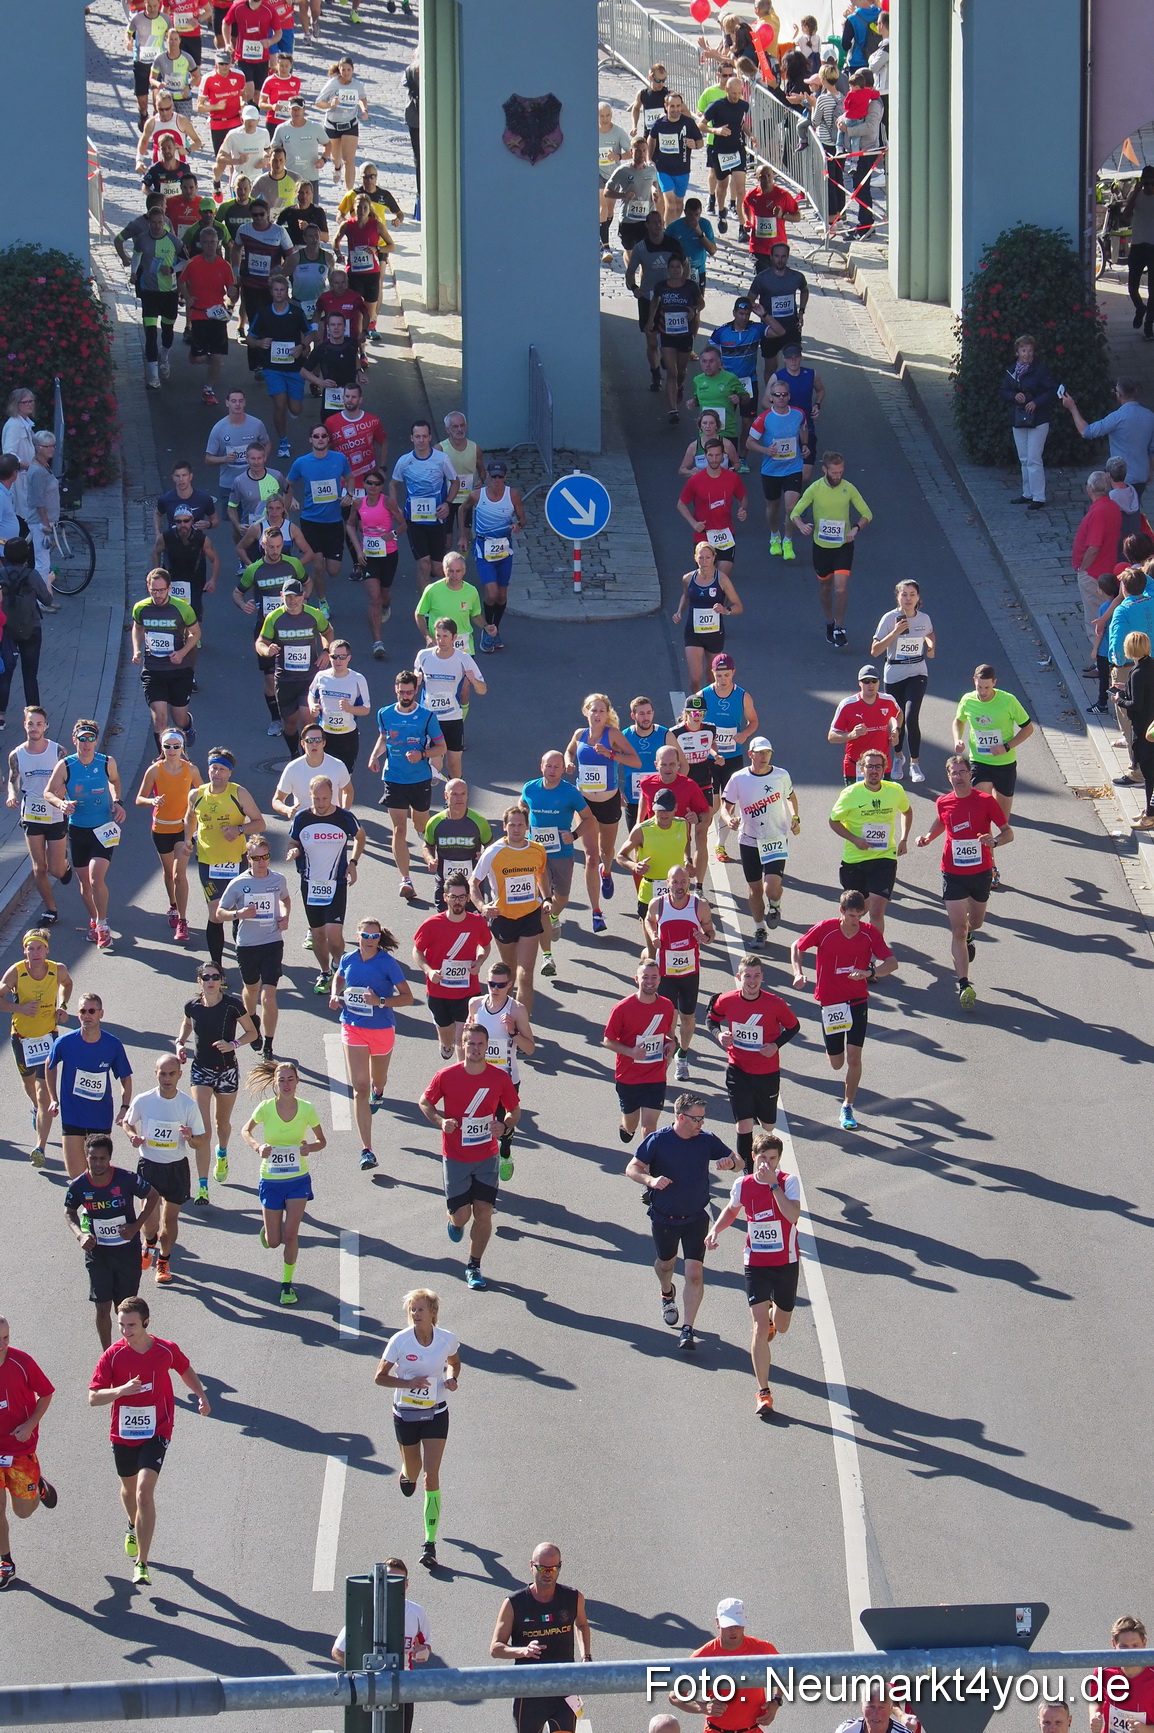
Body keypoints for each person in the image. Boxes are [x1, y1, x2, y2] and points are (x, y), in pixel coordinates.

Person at [87, 1294, 210, 1586]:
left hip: (158, 1430)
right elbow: (93, 1397)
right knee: (128, 1491)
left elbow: (184, 1369)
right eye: (121, 1325)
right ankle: (132, 1524)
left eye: (131, 1325)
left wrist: (202, 1395)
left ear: (146, 1322)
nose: (125, 1331)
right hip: (124, 1432)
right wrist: (121, 1391)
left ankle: (142, 1563)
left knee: (144, 1492)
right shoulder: (113, 1355)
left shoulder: (165, 1350)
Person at [625, 1093, 740, 1353]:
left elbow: (740, 1162)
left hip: (696, 1217)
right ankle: (667, 1292)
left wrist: (730, 1163)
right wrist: (650, 1181)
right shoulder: (658, 1140)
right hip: (664, 1217)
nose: (701, 1123)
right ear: (681, 1117)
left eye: (702, 1118)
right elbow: (632, 1168)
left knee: (694, 1273)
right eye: (696, 1118)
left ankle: (688, 1329)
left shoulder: (706, 1140)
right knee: (665, 1264)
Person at [705, 1131, 801, 1415]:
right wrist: (715, 1230)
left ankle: (774, 1317)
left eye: (773, 1159)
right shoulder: (743, 1184)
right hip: (756, 1263)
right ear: (753, 1157)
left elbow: (792, 1216)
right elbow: (732, 1210)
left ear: (779, 1160)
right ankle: (764, 1392)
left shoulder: (788, 1183)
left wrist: (773, 1187)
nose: (767, 1164)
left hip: (785, 1263)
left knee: (781, 1326)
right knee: (758, 1327)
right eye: (762, 1158)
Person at [420, 1022, 520, 1292]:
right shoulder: (446, 1075)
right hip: (455, 1157)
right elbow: (425, 1102)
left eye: (480, 1044)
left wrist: (505, 1125)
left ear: (487, 1046)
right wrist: (441, 1121)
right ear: (462, 1046)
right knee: (463, 1217)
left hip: (486, 1157)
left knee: (484, 1212)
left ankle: (474, 1265)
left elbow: (514, 1110)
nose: (475, 1049)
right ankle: (454, 1219)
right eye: (470, 1044)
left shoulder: (499, 1078)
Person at [791, 888, 897, 1130]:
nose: (856, 922)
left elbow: (892, 963)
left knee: (854, 1057)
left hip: (857, 1000)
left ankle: (848, 1106)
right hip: (831, 1003)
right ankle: (833, 1053)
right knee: (836, 1062)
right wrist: (798, 973)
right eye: (851, 916)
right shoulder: (825, 929)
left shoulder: (869, 934)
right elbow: (797, 945)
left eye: (860, 916)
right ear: (841, 912)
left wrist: (870, 972)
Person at [915, 755, 1013, 1009]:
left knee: (975, 923)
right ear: (948, 777)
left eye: (962, 771)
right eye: (953, 773)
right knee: (957, 929)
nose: (958, 776)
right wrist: (928, 837)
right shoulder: (943, 801)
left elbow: (1008, 832)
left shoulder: (985, 801)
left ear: (971, 774)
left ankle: (970, 936)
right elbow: (941, 820)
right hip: (952, 872)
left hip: (980, 872)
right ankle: (964, 984)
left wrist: (995, 842)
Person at [374, 1289, 461, 1570]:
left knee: (431, 1474)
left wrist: (450, 1379)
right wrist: (408, 1384)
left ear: (433, 1312)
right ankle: (406, 1472)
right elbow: (380, 1378)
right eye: (412, 1310)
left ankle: (429, 1543)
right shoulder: (399, 1341)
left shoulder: (446, 1339)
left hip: (436, 1413)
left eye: (420, 1309)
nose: (415, 1314)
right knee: (414, 1470)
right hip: (407, 1415)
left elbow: (454, 1364)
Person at [330, 919, 413, 1172]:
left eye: (374, 936)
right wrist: (335, 993)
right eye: (365, 935)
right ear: (357, 935)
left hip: (381, 1030)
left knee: (378, 1079)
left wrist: (380, 1001)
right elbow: (339, 976)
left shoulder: (388, 963)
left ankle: (380, 1090)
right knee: (360, 1087)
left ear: (379, 938)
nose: (370, 940)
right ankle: (367, 1149)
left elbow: (408, 998)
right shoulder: (348, 958)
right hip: (352, 1026)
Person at [241, 1058, 325, 1304]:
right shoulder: (266, 1108)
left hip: (298, 1178)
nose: (286, 1084)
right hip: (271, 1179)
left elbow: (322, 1141)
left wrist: (309, 1147)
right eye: (281, 1080)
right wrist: (259, 1147)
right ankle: (268, 1232)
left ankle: (287, 1284)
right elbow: (246, 1131)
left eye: (290, 1079)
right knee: (274, 1240)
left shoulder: (307, 1108)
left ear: (297, 1082)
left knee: (291, 1235)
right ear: (275, 1084)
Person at [64, 1134, 159, 1350]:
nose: (98, 1163)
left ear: (109, 1158)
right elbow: (69, 1212)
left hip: (127, 1253)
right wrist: (80, 1235)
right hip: (98, 1254)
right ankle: (107, 1354)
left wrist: (136, 1226)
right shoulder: (79, 1186)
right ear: (86, 1157)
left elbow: (153, 1196)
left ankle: (129, 1349)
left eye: (102, 1158)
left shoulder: (125, 1178)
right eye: (93, 1158)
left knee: (125, 1309)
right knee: (102, 1306)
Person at [707, 955, 800, 1168]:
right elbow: (712, 1018)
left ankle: (759, 1121)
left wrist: (775, 1045)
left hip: (766, 1072)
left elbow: (794, 1027)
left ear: (762, 977)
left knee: (768, 1126)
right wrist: (718, 1034)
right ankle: (747, 1172)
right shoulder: (727, 1000)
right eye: (747, 976)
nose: (752, 981)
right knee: (743, 1125)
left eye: (756, 975)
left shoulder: (775, 1003)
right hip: (737, 1069)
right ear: (739, 976)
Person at [176, 961, 258, 1199]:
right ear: (199, 981)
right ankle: (202, 1187)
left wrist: (233, 1044)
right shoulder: (192, 1006)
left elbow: (252, 1032)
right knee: (203, 1128)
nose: (210, 981)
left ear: (221, 980)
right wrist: (181, 1042)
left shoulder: (233, 1005)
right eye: (206, 977)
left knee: (222, 1124)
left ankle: (222, 1153)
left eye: (215, 977)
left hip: (227, 1071)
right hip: (201, 1070)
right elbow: (187, 1024)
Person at [490, 1542, 592, 1733]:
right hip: (529, 1691)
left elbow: (582, 1624)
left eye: (553, 1568)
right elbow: (495, 1648)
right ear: (531, 1566)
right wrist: (523, 1651)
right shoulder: (514, 1603)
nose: (548, 1573)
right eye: (542, 1568)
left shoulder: (573, 1597)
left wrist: (586, 1656)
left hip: (565, 1688)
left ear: (559, 1568)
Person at [43, 722, 126, 953]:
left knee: (95, 878)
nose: (87, 743)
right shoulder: (66, 765)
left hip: (102, 829)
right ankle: (94, 920)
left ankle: (102, 924)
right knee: (84, 885)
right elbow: (48, 792)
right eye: (83, 739)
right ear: (74, 740)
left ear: (96, 741)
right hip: (78, 830)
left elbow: (115, 781)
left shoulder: (106, 762)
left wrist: (117, 802)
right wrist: (61, 803)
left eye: (91, 739)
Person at [125, 1055, 207, 1288]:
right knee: (148, 1222)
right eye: (163, 1073)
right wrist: (133, 1136)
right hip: (149, 1165)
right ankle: (148, 1242)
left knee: (169, 1220)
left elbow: (200, 1141)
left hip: (175, 1168)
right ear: (155, 1074)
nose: (167, 1078)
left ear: (180, 1075)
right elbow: (127, 1122)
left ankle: (163, 1260)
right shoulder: (144, 1100)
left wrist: (190, 1137)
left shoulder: (188, 1105)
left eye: (172, 1074)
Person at [181, 746, 265, 968]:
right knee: (216, 914)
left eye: (221, 769)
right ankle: (217, 967)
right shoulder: (197, 794)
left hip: (236, 863)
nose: (216, 773)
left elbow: (260, 822)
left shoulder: (238, 793)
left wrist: (238, 829)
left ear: (229, 773)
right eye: (213, 768)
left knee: (237, 912)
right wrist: (188, 840)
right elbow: (189, 818)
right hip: (208, 863)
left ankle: (244, 959)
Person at [563, 693, 641, 933]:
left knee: (607, 851)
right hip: (584, 802)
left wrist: (611, 755)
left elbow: (636, 761)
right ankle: (596, 912)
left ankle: (606, 872)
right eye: (593, 710)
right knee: (590, 856)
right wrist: (568, 762)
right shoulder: (580, 735)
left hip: (608, 802)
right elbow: (569, 752)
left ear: (608, 715)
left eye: (601, 711)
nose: (597, 715)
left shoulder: (613, 735)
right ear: (586, 711)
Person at [367, 672, 446, 902]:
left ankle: (430, 853)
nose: (405, 696)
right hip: (394, 778)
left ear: (416, 691)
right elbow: (384, 739)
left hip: (419, 778)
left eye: (409, 692)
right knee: (399, 829)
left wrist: (422, 754)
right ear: (396, 689)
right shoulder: (384, 713)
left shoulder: (426, 716)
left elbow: (441, 747)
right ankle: (405, 879)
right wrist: (375, 756)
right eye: (401, 692)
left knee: (421, 825)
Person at [469, 806, 552, 1016]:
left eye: (520, 825)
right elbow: (474, 883)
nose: (516, 829)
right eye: (512, 825)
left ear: (527, 826)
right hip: (502, 917)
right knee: (510, 973)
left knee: (526, 974)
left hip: (529, 915)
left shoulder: (537, 850)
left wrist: (546, 898)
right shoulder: (494, 851)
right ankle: (503, 1017)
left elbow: (541, 874)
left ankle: (522, 1024)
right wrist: (483, 907)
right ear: (505, 827)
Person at [215, 833, 290, 1060]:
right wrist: (239, 914)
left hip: (272, 941)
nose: (261, 862)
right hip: (247, 944)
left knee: (269, 994)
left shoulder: (278, 879)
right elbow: (219, 913)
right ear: (248, 858)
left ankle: (268, 1043)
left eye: (265, 857)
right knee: (252, 988)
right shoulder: (239, 884)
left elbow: (285, 899)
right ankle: (252, 1019)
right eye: (256, 858)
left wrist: (285, 916)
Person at [1, 930, 72, 1168]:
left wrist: (62, 1005)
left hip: (48, 1036)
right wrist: (18, 1008)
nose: (35, 953)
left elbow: (67, 984)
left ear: (47, 950)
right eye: (30, 949)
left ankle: (39, 1146)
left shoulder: (57, 969)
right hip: (22, 1038)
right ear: (25, 951)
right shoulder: (17, 971)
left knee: (44, 1093)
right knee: (29, 1084)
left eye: (39, 948)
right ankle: (35, 1109)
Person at [287, 776, 363, 994]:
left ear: (332, 795)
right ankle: (324, 972)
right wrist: (294, 851)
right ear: (309, 795)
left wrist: (353, 862)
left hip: (336, 882)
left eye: (325, 798)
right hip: (310, 883)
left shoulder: (344, 817)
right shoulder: (302, 818)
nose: (321, 803)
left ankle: (339, 965)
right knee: (318, 933)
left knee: (334, 933)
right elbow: (294, 841)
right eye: (316, 798)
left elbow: (360, 836)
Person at [720, 738, 799, 945]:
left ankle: (775, 904)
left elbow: (791, 797)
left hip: (775, 837)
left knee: (770, 887)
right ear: (750, 754)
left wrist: (795, 817)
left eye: (767, 753)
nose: (764, 757)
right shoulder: (739, 778)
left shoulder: (781, 775)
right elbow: (725, 806)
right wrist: (729, 820)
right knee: (755, 889)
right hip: (749, 840)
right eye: (760, 753)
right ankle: (759, 929)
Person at [330, 1554, 432, 1714]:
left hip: (403, 1687)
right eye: (389, 1580)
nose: (393, 1585)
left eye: (398, 1581)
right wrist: (365, 1679)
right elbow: (338, 1652)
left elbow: (425, 1646)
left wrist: (423, 1652)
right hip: (369, 1691)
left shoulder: (417, 1613)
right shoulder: (365, 1613)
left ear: (406, 1584)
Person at [790, 451, 873, 646]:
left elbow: (867, 513)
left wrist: (856, 528)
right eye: (834, 472)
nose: (838, 476)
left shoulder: (848, 488)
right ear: (825, 470)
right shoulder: (815, 489)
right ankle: (829, 621)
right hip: (821, 547)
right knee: (826, 587)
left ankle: (839, 626)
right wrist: (801, 525)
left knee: (840, 588)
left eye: (841, 472)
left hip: (843, 545)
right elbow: (795, 512)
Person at [0, 1320, 57, 1590]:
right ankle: (6, 1563)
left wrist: (30, 1424)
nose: (2, 1345)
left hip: (20, 1450)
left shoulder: (21, 1362)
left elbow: (46, 1393)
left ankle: (38, 1489)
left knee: (22, 1512)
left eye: (6, 1338)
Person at [828, 748, 911, 934]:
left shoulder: (895, 790)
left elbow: (907, 811)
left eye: (878, 767)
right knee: (855, 911)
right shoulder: (850, 794)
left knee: (877, 910)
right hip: (854, 860)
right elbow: (833, 821)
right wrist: (855, 839)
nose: (874, 770)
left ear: (884, 769)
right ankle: (846, 938)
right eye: (869, 766)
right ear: (862, 769)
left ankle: (872, 956)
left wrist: (904, 838)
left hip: (884, 858)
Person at [644, 865, 714, 1080]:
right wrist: (653, 934)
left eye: (683, 882)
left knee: (688, 1017)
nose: (679, 886)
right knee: (668, 1017)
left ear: (689, 883)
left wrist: (705, 938)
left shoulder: (699, 906)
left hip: (689, 972)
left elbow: (711, 931)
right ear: (667, 883)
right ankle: (666, 1059)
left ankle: (682, 1054)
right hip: (665, 972)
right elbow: (648, 920)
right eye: (675, 882)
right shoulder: (658, 905)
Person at [519, 753, 588, 970]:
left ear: (562, 770)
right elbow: (521, 806)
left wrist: (574, 835)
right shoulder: (530, 788)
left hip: (561, 854)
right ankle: (547, 956)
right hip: (535, 854)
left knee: (562, 898)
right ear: (541, 767)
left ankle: (556, 914)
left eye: (556, 767)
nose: (552, 770)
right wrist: (522, 824)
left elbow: (589, 819)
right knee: (542, 905)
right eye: (548, 766)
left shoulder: (570, 792)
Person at [414, 874, 492, 1061]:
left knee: (462, 1039)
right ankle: (444, 1043)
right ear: (445, 897)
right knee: (447, 1034)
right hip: (438, 991)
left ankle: (462, 1077)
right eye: (454, 897)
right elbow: (417, 951)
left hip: (467, 991)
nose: (458, 902)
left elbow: (486, 945)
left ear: (468, 898)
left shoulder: (476, 922)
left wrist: (479, 961)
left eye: (462, 897)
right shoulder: (432, 924)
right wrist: (428, 971)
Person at [467, 963, 534, 1180]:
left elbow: (530, 1048)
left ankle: (505, 1152)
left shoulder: (516, 1010)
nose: (495, 988)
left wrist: (513, 1031)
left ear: (510, 985)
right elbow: (467, 1040)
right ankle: (484, 1172)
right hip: (479, 1076)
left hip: (506, 1078)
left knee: (504, 1122)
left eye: (500, 985)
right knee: (479, 1125)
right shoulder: (475, 1005)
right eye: (491, 984)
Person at [136, 729, 202, 944]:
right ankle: (172, 905)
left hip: (183, 830)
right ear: (162, 748)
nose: (172, 750)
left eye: (176, 746)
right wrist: (152, 802)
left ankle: (183, 920)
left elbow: (203, 794)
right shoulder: (154, 771)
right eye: (167, 746)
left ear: (182, 747)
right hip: (161, 829)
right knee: (167, 872)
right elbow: (139, 799)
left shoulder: (190, 769)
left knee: (178, 874)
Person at [952, 664, 1034, 838]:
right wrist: (957, 739)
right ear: (974, 681)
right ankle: (988, 862)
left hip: (1004, 764)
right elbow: (958, 721)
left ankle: (992, 854)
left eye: (987, 687)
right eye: (979, 687)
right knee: (981, 819)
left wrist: (1005, 747)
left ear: (995, 683)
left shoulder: (1008, 701)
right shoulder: (968, 700)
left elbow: (1028, 728)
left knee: (1002, 820)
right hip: (979, 762)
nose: (983, 692)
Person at [114, 204, 188, 391]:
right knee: (150, 333)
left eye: (160, 223)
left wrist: (172, 269)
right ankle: (154, 376)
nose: (156, 226)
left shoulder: (173, 241)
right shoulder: (142, 240)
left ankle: (164, 357)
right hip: (149, 292)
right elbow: (137, 256)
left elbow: (186, 261)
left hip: (169, 292)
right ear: (149, 224)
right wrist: (133, 272)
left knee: (168, 330)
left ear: (165, 222)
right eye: (153, 223)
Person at [7, 706, 70, 928]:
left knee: (57, 870)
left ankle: (64, 864)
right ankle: (51, 909)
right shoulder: (17, 754)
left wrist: (63, 791)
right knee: (39, 867)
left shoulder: (57, 751)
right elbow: (13, 779)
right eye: (30, 723)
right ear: (24, 725)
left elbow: (68, 776)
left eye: (39, 724)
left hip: (55, 813)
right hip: (32, 814)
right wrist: (12, 795)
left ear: (46, 726)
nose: (34, 728)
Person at [257, 578, 334, 754]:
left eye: (296, 596)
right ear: (281, 596)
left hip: (309, 677)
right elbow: (261, 641)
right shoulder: (274, 617)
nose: (293, 601)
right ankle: (294, 753)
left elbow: (328, 631)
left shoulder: (314, 614)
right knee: (290, 724)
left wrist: (326, 651)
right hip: (285, 679)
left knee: (308, 720)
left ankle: (311, 758)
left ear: (303, 596)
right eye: (289, 597)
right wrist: (266, 650)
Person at [604, 960, 676, 1146]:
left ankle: (646, 1163)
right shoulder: (622, 1008)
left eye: (654, 977)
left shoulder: (667, 1006)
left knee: (650, 1126)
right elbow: (608, 1040)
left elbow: (668, 1036)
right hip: (629, 1077)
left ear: (660, 980)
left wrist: (671, 1045)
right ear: (637, 979)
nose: (650, 981)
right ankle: (626, 1126)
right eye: (645, 977)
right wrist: (631, 1052)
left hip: (655, 1075)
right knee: (631, 1125)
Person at [677, 1599, 780, 1725]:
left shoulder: (762, 1649)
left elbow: (787, 1673)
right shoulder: (702, 1656)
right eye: (728, 1625)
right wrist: (703, 1707)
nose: (733, 1631)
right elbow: (675, 1696)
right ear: (717, 1622)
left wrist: (776, 1701)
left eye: (738, 1625)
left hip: (753, 1729)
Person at [870, 581, 935, 783]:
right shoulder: (889, 619)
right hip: (894, 672)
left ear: (918, 598)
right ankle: (899, 758)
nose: (908, 599)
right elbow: (875, 651)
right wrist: (896, 632)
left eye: (912, 594)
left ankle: (915, 764)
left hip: (918, 671)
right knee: (898, 719)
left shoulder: (924, 618)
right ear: (897, 597)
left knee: (911, 715)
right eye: (904, 595)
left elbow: (929, 633)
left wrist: (931, 645)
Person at [131, 568, 202, 749]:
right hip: (153, 670)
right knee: (160, 718)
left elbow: (195, 633)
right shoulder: (141, 608)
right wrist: (136, 650)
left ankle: (187, 726)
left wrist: (182, 652)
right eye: (154, 590)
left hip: (179, 670)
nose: (158, 595)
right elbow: (138, 628)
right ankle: (162, 758)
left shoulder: (182, 608)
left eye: (161, 590)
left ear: (169, 588)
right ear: (148, 587)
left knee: (179, 718)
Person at [618, 788, 695, 953]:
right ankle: (648, 965)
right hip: (649, 893)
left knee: (675, 945)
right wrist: (634, 866)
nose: (663, 814)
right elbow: (620, 856)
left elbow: (686, 842)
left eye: (667, 809)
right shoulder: (642, 829)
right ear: (652, 807)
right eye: (659, 809)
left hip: (678, 891)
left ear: (675, 808)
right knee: (654, 949)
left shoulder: (683, 824)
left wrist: (687, 860)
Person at [460, 461, 524, 652]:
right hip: (483, 546)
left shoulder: (512, 495)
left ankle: (495, 630)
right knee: (492, 593)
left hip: (504, 548)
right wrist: (463, 535)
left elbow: (523, 518)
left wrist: (518, 525)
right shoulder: (477, 496)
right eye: (493, 476)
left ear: (505, 477)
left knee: (502, 595)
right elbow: (462, 509)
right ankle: (487, 630)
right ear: (487, 475)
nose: (497, 480)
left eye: (500, 477)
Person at [247, 272, 312, 457]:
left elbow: (309, 333)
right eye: (276, 290)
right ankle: (283, 442)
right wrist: (260, 343)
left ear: (286, 292)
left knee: (295, 409)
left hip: (293, 368)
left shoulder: (297, 313)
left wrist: (302, 346)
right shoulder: (264, 313)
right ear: (271, 292)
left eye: (282, 290)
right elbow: (250, 338)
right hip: (272, 367)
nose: (279, 293)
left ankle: (288, 412)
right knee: (279, 405)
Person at [414, 618, 487, 781]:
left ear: (454, 637)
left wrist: (474, 680)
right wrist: (416, 681)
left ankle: (453, 798)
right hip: (429, 717)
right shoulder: (424, 656)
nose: (440, 640)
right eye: (438, 636)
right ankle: (426, 790)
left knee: (454, 764)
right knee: (434, 763)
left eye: (445, 636)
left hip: (453, 718)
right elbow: (413, 684)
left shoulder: (464, 659)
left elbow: (483, 690)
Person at [390, 421, 459, 589]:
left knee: (436, 568)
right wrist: (395, 507)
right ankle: (425, 610)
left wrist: (447, 504)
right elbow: (393, 484)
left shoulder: (441, 459)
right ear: (411, 438)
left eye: (424, 436)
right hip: (414, 520)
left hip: (437, 519)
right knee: (424, 563)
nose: (421, 440)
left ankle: (445, 594)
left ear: (429, 438)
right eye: (417, 437)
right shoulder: (405, 461)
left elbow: (455, 482)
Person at [1063, 379, 1154, 503]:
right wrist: (1150, 472)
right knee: (1134, 509)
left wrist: (1072, 407)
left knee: (1121, 514)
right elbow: (1151, 449)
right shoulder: (1149, 416)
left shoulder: (1117, 418)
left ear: (1119, 395)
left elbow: (1086, 431)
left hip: (1122, 477)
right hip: (1141, 475)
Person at [624, 211, 687, 390]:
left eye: (660, 222)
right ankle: (655, 374)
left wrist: (685, 288)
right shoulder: (641, 248)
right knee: (651, 340)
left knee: (671, 336)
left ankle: (667, 360)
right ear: (647, 225)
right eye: (654, 222)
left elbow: (685, 265)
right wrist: (634, 288)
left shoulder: (673, 244)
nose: (658, 225)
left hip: (671, 297)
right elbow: (630, 271)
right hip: (648, 297)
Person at [672, 542, 742, 697]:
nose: (704, 562)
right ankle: (698, 710)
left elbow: (738, 605)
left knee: (711, 676)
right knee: (695, 679)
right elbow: (686, 595)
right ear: (695, 558)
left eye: (707, 558)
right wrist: (679, 612)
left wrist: (726, 610)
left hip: (714, 634)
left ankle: (710, 706)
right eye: (701, 558)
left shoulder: (722, 579)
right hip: (693, 632)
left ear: (714, 558)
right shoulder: (688, 578)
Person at [747, 379, 807, 559]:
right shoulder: (764, 418)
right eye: (777, 395)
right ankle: (775, 535)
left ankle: (788, 541)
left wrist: (805, 445)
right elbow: (749, 443)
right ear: (771, 398)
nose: (781, 398)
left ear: (789, 396)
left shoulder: (798, 414)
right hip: (771, 470)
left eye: (784, 395)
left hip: (793, 467)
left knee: (791, 506)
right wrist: (766, 450)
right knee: (773, 507)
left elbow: (804, 428)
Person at [346, 468, 403, 658]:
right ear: (364, 484)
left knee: (384, 595)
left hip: (388, 554)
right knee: (374, 598)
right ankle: (378, 643)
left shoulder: (388, 502)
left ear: (381, 486)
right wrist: (358, 550)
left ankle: (387, 605)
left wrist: (392, 534)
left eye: (376, 484)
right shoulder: (358, 503)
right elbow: (350, 525)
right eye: (369, 483)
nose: (372, 487)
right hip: (368, 556)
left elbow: (404, 524)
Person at [999, 333, 1058, 511]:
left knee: (1034, 458)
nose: (1027, 354)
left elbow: (1051, 391)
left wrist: (1035, 402)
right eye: (1024, 350)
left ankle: (1039, 496)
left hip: (1038, 419)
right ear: (1017, 352)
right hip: (1019, 418)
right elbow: (1003, 391)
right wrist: (1014, 395)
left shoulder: (1040, 371)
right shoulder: (1012, 371)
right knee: (1024, 458)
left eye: (1030, 350)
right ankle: (1027, 493)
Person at [677, 437, 746, 582]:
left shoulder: (732, 478)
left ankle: (720, 605)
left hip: (725, 533)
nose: (714, 459)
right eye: (711, 455)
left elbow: (743, 496)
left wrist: (742, 509)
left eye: (717, 455)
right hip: (703, 536)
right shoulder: (695, 480)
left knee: (723, 579)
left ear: (723, 456)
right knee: (708, 579)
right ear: (705, 456)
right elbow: (681, 504)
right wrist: (694, 523)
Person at [646, 254, 703, 424]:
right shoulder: (661, 286)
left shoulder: (690, 286)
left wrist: (694, 310)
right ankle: (673, 410)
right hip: (667, 334)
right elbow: (655, 302)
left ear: (682, 269)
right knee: (672, 372)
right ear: (668, 269)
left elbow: (701, 303)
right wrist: (650, 320)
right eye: (673, 267)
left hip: (685, 335)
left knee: (681, 371)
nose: (676, 270)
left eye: (679, 267)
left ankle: (679, 386)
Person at [422, 779, 492, 911]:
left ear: (467, 795)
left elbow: (490, 846)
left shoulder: (479, 821)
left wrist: (484, 854)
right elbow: (427, 846)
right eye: (454, 794)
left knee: (472, 924)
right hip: (446, 884)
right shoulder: (435, 822)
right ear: (446, 796)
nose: (459, 798)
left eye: (463, 794)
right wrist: (430, 860)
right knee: (446, 924)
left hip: (471, 884)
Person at [828, 664, 900, 785]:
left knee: (882, 803)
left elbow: (898, 714)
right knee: (855, 804)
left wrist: (896, 731)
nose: (870, 685)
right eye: (866, 681)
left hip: (881, 766)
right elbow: (831, 737)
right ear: (859, 683)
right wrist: (851, 735)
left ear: (878, 682)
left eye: (874, 681)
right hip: (856, 767)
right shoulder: (847, 705)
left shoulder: (889, 701)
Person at [306, 639, 370, 773]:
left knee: (345, 777)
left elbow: (366, 709)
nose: (338, 660)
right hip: (325, 735)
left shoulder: (358, 679)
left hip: (347, 736)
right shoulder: (321, 676)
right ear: (329, 657)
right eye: (334, 657)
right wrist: (312, 706)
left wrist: (350, 709)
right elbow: (311, 694)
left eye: (342, 657)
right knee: (322, 776)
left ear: (349, 658)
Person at [1087, 1616, 1154, 1733]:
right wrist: (1094, 1715)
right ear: (1114, 1644)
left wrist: (1147, 1730)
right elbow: (1096, 1700)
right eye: (1124, 1646)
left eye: (1135, 1645)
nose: (1130, 1652)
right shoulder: (1103, 1671)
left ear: (1144, 1643)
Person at [1115, 630, 1154, 830]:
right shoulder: (1150, 664)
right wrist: (1126, 687)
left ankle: (1151, 814)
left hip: (1143, 729)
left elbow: (1136, 704)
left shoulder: (1138, 673)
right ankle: (1149, 809)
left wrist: (1119, 699)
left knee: (1149, 774)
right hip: (1151, 725)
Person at [271, 722, 352, 818]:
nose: (314, 744)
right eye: (309, 741)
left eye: (318, 740)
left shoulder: (338, 765)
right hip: (303, 824)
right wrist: (287, 810)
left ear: (323, 743)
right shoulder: (292, 768)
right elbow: (277, 800)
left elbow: (348, 791)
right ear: (302, 744)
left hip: (332, 822)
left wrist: (344, 813)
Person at [646, 91, 703, 225]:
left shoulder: (688, 123)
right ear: (666, 106)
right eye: (672, 106)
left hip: (682, 170)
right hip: (663, 169)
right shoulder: (659, 123)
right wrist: (649, 158)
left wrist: (694, 145)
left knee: (678, 205)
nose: (675, 110)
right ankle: (667, 233)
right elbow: (651, 139)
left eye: (678, 106)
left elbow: (700, 142)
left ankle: (674, 227)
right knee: (670, 204)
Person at [414, 549, 484, 653]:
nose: (454, 575)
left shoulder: (471, 591)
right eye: (451, 571)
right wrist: (428, 637)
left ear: (464, 571)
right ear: (444, 570)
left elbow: (475, 615)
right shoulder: (432, 590)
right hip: (439, 648)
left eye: (458, 571)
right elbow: (419, 614)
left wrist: (486, 627)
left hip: (464, 649)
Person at [604, 139, 659, 269]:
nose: (641, 154)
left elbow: (653, 184)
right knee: (630, 252)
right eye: (638, 151)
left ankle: (642, 282)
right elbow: (607, 192)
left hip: (646, 220)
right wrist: (623, 195)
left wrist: (654, 191)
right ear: (631, 151)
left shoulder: (651, 170)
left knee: (645, 257)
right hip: (628, 220)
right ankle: (630, 273)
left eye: (644, 150)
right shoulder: (623, 171)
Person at [316, 58, 370, 192]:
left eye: (348, 70)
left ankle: (349, 193)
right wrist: (330, 105)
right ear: (339, 70)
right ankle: (337, 167)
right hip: (333, 124)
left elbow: (362, 98)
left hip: (350, 124)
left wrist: (364, 110)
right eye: (343, 70)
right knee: (335, 157)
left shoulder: (358, 85)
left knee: (349, 160)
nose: (346, 73)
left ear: (353, 70)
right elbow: (318, 102)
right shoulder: (332, 84)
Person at [24, 433, 61, 588]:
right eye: (48, 446)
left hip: (44, 520)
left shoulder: (43, 464)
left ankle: (44, 597)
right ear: (38, 447)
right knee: (42, 562)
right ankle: (41, 600)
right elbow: (38, 501)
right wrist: (46, 524)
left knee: (44, 561)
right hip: (40, 522)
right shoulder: (38, 471)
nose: (52, 449)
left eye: (53, 445)